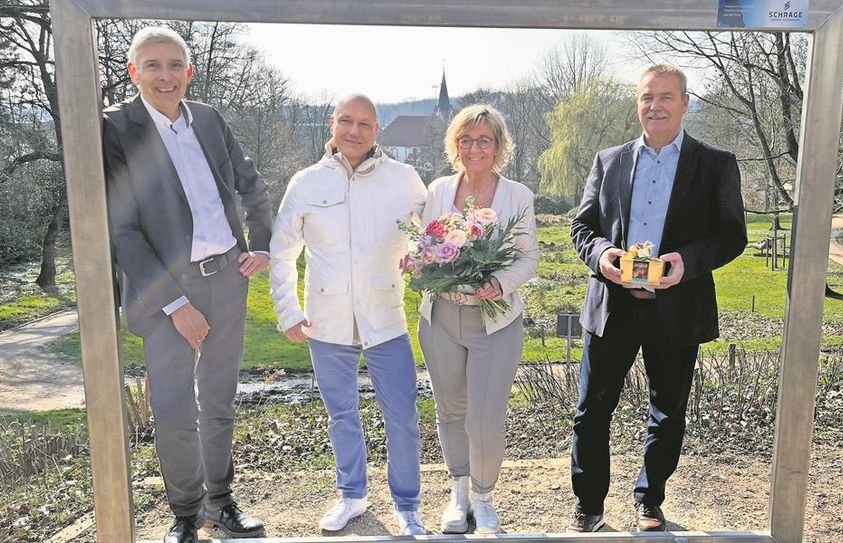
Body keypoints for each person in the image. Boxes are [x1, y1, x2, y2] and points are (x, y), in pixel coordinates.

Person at [103, 27, 271, 543]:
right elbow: (121, 230)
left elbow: (251, 184)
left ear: (189, 72)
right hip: (165, 294)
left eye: (175, 65)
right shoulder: (114, 128)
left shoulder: (210, 119)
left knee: (218, 399)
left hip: (228, 279)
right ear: (133, 72)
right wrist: (175, 303)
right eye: (153, 65)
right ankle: (185, 515)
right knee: (174, 409)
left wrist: (261, 243)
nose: (165, 76)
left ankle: (220, 502)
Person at [568, 65, 747, 532]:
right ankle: (589, 505)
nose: (656, 106)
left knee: (667, 413)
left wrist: (687, 262)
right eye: (647, 97)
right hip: (612, 307)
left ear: (685, 103)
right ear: (638, 103)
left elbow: (732, 235)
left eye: (667, 97)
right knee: (591, 410)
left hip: (677, 308)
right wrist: (602, 255)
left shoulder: (715, 164)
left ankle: (649, 500)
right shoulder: (609, 161)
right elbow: (582, 227)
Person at [269, 94, 428, 535]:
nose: (354, 131)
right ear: (332, 123)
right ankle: (352, 496)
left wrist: (426, 263)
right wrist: (288, 311)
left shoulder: (404, 180)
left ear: (377, 129)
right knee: (341, 414)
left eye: (364, 123)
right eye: (346, 121)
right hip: (327, 320)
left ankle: (407, 505)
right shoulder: (305, 183)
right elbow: (282, 253)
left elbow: (430, 236)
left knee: (402, 415)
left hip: (386, 318)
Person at [417, 105, 540, 534]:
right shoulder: (438, 190)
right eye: (466, 139)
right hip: (440, 317)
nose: (475, 148)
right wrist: (429, 263)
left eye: (484, 140)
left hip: (495, 321)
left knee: (485, 417)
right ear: (455, 144)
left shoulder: (517, 196)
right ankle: (459, 495)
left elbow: (528, 257)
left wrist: (500, 282)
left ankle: (484, 499)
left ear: (499, 145)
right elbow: (423, 246)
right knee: (451, 410)